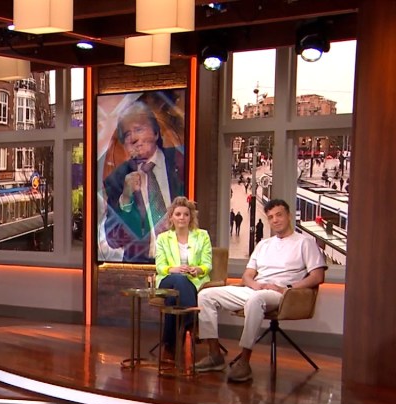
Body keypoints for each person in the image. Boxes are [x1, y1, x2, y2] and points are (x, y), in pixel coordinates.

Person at [194, 199, 326, 382]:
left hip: (282, 293)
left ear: (288, 216)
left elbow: (317, 276)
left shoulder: (305, 242)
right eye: (271, 217)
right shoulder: (264, 244)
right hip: (256, 289)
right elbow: (247, 275)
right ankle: (214, 354)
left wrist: (286, 288)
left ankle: (244, 361)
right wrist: (254, 284)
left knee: (256, 300)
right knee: (205, 295)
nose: (275, 220)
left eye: (279, 215)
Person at [102, 100, 186, 262]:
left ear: (156, 133)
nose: (133, 138)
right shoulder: (117, 180)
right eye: (127, 135)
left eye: (139, 129)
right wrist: (126, 199)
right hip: (139, 266)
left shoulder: (181, 161)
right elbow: (113, 240)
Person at [153, 197, 212, 361]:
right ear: (171, 217)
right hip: (168, 279)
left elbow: (207, 264)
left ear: (191, 217)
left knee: (173, 298)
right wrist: (174, 269)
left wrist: (197, 269)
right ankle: (191, 321)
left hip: (193, 282)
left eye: (186, 214)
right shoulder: (163, 238)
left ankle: (169, 345)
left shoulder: (202, 236)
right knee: (178, 279)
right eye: (178, 214)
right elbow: (160, 266)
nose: (182, 218)